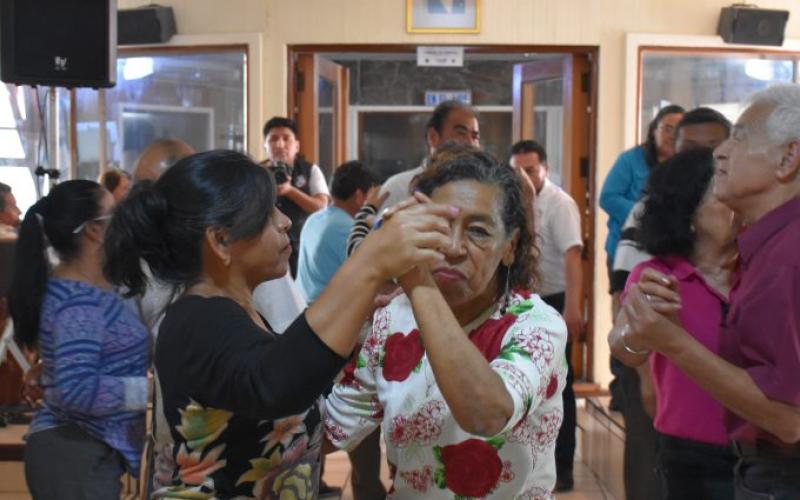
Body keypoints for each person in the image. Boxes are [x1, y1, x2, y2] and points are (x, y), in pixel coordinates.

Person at [103, 150, 457, 499]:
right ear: (220, 240)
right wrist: (370, 262)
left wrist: (361, 321)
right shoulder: (196, 319)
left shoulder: (241, 315)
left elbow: (290, 399)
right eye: (266, 213)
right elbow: (274, 384)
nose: (284, 221)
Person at [325, 146, 569, 498]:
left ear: (510, 247)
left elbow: (486, 415)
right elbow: (335, 429)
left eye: (478, 232)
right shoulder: (394, 320)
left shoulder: (536, 325)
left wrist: (417, 281)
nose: (452, 247)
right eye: (439, 226)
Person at [621, 85, 800, 499]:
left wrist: (674, 343)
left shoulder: (786, 256)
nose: (720, 153)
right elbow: (626, 347)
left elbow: (788, 418)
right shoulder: (766, 247)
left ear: (788, 159)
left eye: (739, 138)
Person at [608, 149, 739, 499]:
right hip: (689, 454)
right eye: (721, 195)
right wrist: (639, 334)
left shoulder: (761, 272)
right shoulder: (657, 277)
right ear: (689, 211)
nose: (735, 203)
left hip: (761, 454)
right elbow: (624, 346)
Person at [8, 180, 150, 499]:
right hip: (75, 455)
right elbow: (79, 390)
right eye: (113, 213)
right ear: (94, 231)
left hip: (81, 451)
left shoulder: (82, 290)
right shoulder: (79, 303)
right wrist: (152, 391)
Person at [510, 139, 582, 492]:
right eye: (518, 169)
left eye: (532, 169)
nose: (524, 176)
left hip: (554, 300)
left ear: (546, 169)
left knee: (560, 388)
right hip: (523, 301)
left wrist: (574, 307)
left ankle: (564, 467)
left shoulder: (559, 204)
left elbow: (573, 257)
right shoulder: (512, 202)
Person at [611, 107, 732, 293]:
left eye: (712, 150)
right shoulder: (652, 208)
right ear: (674, 152)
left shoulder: (742, 203)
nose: (700, 160)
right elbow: (623, 288)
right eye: (690, 150)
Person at [297, 161, 378, 302]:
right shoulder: (347, 228)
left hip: (305, 308)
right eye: (372, 196)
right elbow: (374, 274)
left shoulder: (314, 218)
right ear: (359, 196)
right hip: (328, 314)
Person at [262, 117, 331, 277]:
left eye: (286, 138)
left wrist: (289, 190)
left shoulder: (310, 170)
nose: (280, 144)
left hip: (304, 244)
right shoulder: (258, 171)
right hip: (267, 245)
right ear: (265, 145)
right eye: (273, 139)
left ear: (297, 145)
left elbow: (321, 206)